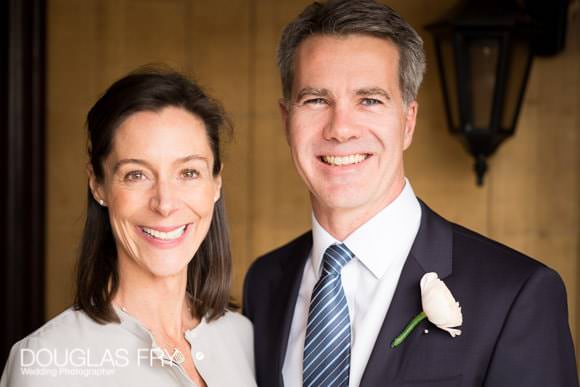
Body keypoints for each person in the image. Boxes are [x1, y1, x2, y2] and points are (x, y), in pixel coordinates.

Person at [242, 1, 578, 386]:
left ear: (408, 122)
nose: (340, 129)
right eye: (317, 100)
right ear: (287, 121)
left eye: (369, 100)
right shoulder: (264, 283)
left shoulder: (516, 296)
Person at [1, 69, 256, 386]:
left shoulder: (244, 339)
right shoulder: (46, 365)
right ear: (98, 186)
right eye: (137, 175)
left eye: (188, 172)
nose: (165, 203)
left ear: (216, 183)